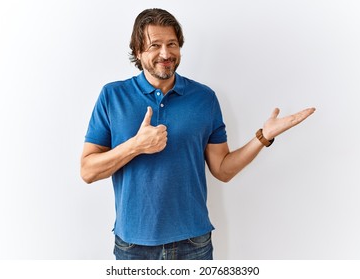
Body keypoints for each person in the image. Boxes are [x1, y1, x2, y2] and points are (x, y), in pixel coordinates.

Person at [80, 8, 315, 260]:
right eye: (154, 45)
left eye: (172, 44)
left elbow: (222, 169)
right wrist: (135, 146)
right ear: (138, 52)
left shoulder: (204, 98)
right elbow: (88, 171)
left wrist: (263, 137)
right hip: (133, 246)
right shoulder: (112, 96)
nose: (165, 53)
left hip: (193, 243)